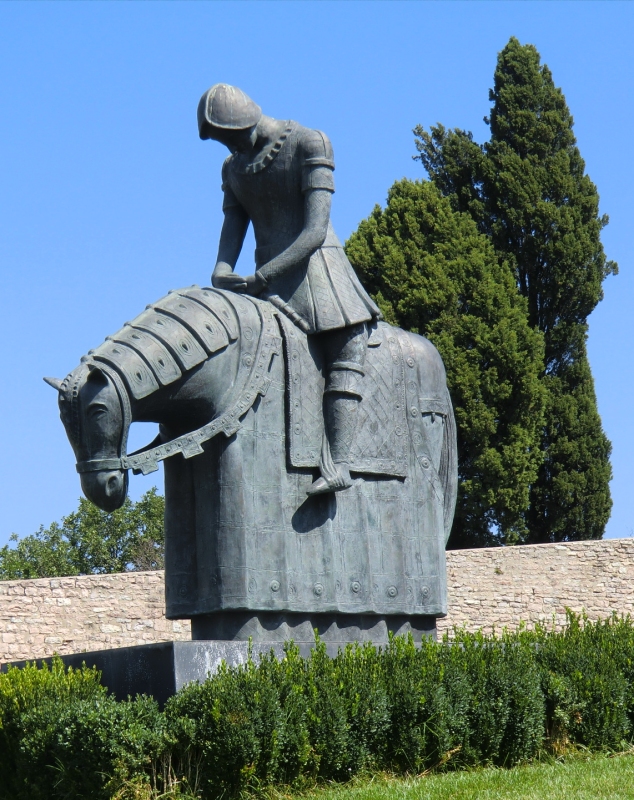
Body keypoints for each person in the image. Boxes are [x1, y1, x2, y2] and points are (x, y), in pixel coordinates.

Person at [198, 84, 381, 495]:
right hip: (266, 280)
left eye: (229, 136)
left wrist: (263, 276)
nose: (229, 147)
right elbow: (232, 229)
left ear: (244, 121)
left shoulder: (308, 143)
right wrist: (222, 269)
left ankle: (340, 463)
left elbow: (315, 231)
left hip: (320, 275)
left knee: (347, 348)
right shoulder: (233, 168)